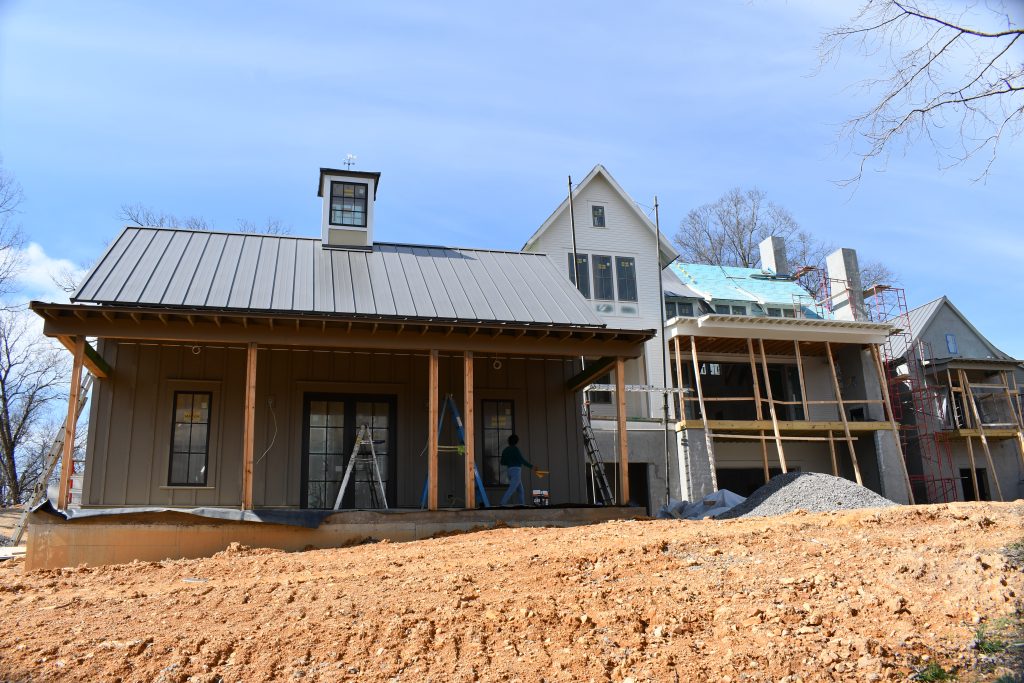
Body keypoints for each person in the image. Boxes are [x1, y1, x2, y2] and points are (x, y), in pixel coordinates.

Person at [499, 434, 533, 506]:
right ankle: (502, 503)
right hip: (516, 471)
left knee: (521, 490)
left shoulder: (505, 450)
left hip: (509, 471)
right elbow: (521, 460)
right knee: (512, 488)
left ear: (509, 441)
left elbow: (502, 462)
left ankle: (522, 504)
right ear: (516, 442)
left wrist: (509, 461)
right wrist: (532, 467)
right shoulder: (515, 449)